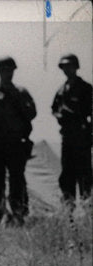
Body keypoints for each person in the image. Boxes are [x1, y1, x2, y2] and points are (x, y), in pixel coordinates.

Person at [0, 56, 37, 223]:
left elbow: (32, 114)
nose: (8, 74)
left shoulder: (21, 92)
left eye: (11, 70)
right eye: (5, 70)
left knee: (17, 180)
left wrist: (18, 101)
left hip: (16, 143)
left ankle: (19, 214)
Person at [51, 53, 93, 204]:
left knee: (84, 177)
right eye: (64, 67)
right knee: (67, 176)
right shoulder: (62, 90)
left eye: (70, 66)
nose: (67, 69)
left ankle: (87, 212)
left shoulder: (86, 88)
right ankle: (68, 212)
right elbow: (54, 108)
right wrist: (61, 115)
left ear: (76, 67)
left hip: (82, 138)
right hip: (67, 138)